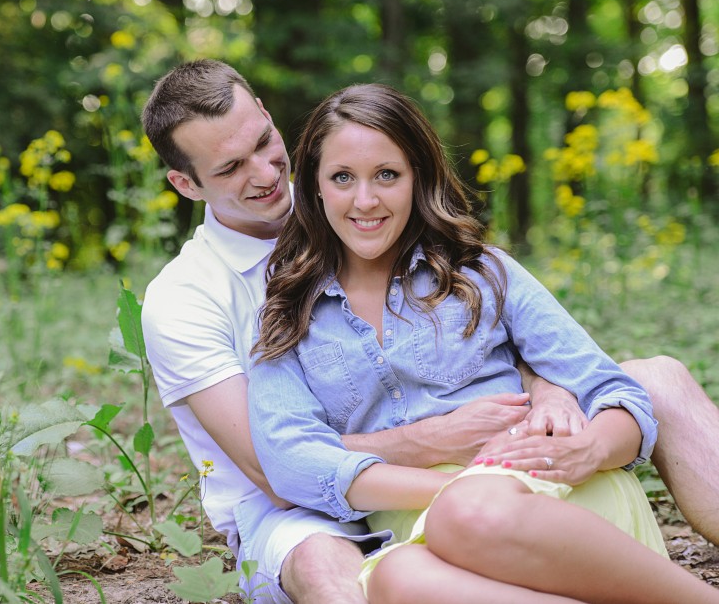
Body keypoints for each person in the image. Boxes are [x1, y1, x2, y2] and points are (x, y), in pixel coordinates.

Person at [139, 59, 719, 603]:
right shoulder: (208, 301)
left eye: (265, 145)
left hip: (520, 481)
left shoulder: (466, 267)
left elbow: (562, 360)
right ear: (187, 184)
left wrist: (551, 390)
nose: (266, 175)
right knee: (386, 577)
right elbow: (277, 467)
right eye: (230, 168)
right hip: (309, 511)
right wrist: (442, 447)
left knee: (655, 377)